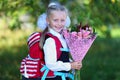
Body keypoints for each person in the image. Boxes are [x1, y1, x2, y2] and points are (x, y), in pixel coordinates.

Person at [39, 3, 82, 80]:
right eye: (55, 20)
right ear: (48, 20)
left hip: (62, 76)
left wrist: (74, 64)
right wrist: (70, 65)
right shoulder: (50, 40)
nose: (59, 24)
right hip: (54, 77)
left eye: (62, 20)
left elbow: (61, 57)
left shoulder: (62, 37)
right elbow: (51, 64)